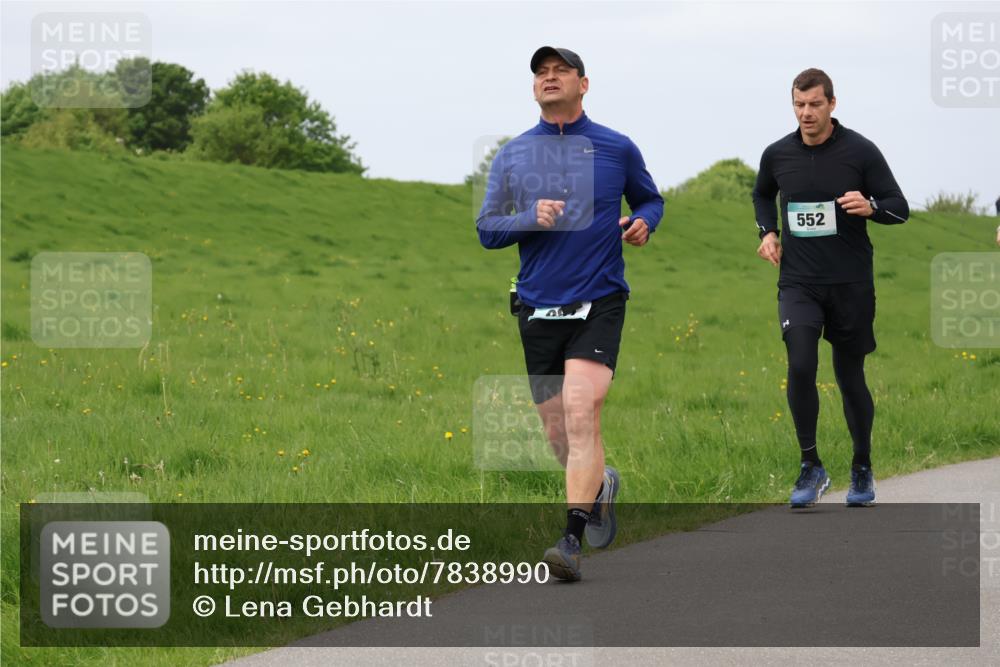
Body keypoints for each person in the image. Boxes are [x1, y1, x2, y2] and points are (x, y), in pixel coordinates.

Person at [477, 46, 663, 580]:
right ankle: (600, 485)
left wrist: (645, 222)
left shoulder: (616, 147)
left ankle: (569, 542)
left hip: (599, 300)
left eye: (560, 71)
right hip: (537, 305)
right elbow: (488, 230)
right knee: (559, 435)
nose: (549, 78)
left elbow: (651, 199)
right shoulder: (513, 155)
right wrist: (528, 218)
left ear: (584, 84)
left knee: (583, 413)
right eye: (541, 72)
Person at [752, 68, 909, 508]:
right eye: (799, 105)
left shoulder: (860, 152)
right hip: (799, 283)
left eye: (815, 104)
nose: (806, 113)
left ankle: (861, 466)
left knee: (849, 376)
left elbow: (900, 208)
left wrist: (871, 206)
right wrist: (766, 231)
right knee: (801, 363)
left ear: (832, 105)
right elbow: (762, 194)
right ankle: (811, 465)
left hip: (850, 284)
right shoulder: (778, 154)